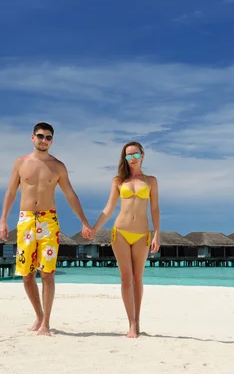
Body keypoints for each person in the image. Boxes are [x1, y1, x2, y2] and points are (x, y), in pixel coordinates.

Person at [0, 121, 93, 336]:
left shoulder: (58, 166)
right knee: (26, 275)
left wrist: (84, 221)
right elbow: (10, 192)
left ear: (52, 140)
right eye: (40, 136)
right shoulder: (20, 163)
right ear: (32, 138)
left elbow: (70, 195)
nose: (44, 140)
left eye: (48, 137)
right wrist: (3, 220)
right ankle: (38, 315)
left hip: (49, 221)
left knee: (47, 273)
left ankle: (46, 323)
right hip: (25, 220)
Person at [89, 141, 160, 338]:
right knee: (126, 278)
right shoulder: (119, 181)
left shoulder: (151, 181)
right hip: (120, 232)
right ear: (125, 158)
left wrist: (157, 234)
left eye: (136, 154)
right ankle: (131, 324)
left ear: (143, 155)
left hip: (142, 234)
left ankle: (137, 322)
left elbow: (154, 208)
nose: (133, 158)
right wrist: (94, 228)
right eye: (129, 155)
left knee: (138, 279)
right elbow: (109, 208)